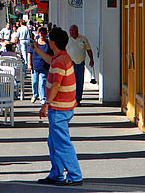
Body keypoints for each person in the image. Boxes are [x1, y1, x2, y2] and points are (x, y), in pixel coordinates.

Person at [34, 27, 83, 186]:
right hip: (64, 107)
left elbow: (56, 84)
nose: (48, 41)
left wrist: (45, 104)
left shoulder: (60, 61)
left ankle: (75, 175)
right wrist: (37, 49)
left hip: (59, 108)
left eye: (49, 39)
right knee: (54, 142)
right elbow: (50, 60)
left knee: (61, 143)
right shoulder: (61, 57)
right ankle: (56, 174)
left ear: (53, 42)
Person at [66, 24, 94, 106]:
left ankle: (77, 99)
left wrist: (91, 59)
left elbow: (88, 50)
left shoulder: (83, 39)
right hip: (70, 63)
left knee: (79, 81)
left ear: (77, 31)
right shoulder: (67, 39)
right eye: (70, 30)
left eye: (73, 30)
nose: (71, 32)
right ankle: (71, 99)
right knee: (71, 82)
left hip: (80, 63)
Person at [27, 27, 52, 104]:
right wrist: (29, 64)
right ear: (38, 34)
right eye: (41, 33)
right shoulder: (35, 43)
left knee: (42, 82)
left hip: (44, 66)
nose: (42, 35)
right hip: (35, 65)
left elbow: (51, 55)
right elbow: (29, 53)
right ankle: (35, 94)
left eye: (44, 33)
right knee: (34, 82)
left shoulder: (48, 44)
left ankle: (42, 98)